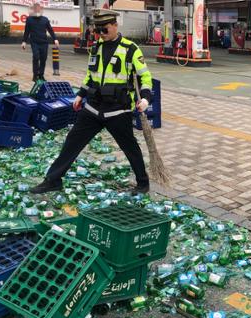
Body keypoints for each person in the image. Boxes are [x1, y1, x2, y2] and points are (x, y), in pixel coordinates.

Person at [30, 9, 154, 195]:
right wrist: (80, 94)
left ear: (114, 25)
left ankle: (143, 183)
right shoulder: (96, 47)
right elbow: (91, 75)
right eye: (98, 31)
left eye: (104, 29)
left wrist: (145, 99)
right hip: (93, 108)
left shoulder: (130, 49)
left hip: (118, 111)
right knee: (72, 141)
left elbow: (145, 77)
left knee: (130, 147)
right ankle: (53, 179)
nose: (101, 34)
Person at [21, 3, 59, 82]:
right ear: (33, 9)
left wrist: (55, 39)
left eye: (39, 9)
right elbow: (26, 31)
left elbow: (50, 30)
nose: (37, 10)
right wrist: (24, 41)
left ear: (40, 10)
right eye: (36, 8)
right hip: (34, 42)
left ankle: (41, 75)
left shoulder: (45, 19)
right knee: (36, 56)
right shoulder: (29, 19)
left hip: (44, 42)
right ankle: (35, 75)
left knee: (43, 59)